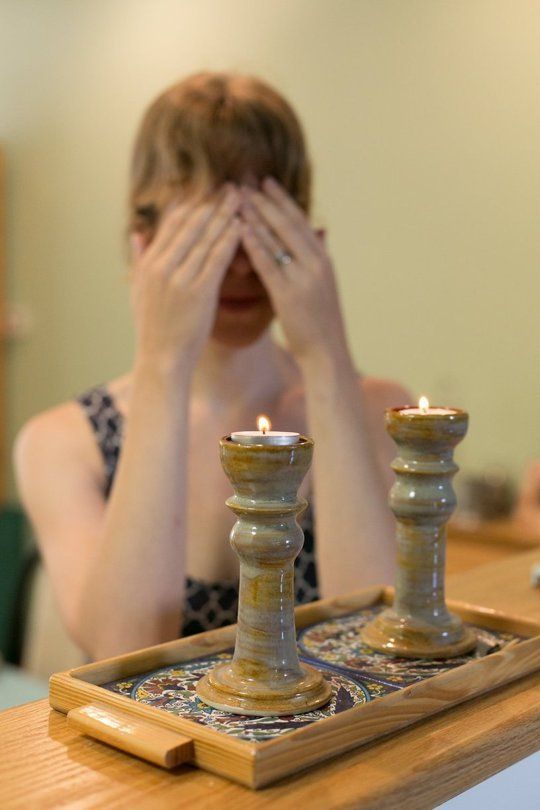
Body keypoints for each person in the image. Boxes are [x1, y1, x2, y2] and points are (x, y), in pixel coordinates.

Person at [15, 72, 410, 660]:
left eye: (265, 229)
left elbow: (377, 648)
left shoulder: (380, 411)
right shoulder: (62, 444)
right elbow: (122, 651)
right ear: (144, 242)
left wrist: (325, 354)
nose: (242, 267)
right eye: (209, 232)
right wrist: (162, 365)